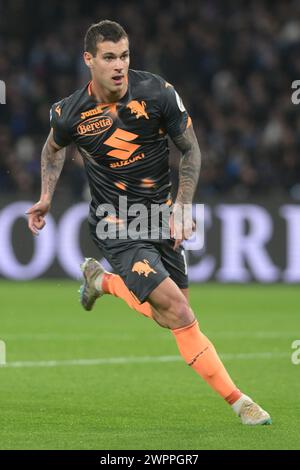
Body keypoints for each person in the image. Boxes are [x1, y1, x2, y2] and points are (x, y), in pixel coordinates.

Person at [27, 20, 271, 426]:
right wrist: (46, 196)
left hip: (160, 215)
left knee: (172, 315)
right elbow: (53, 149)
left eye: (124, 55)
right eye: (109, 57)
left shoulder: (158, 92)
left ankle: (100, 282)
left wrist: (182, 205)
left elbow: (190, 150)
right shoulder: (69, 112)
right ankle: (240, 402)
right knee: (177, 310)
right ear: (89, 60)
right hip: (115, 224)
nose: (119, 65)